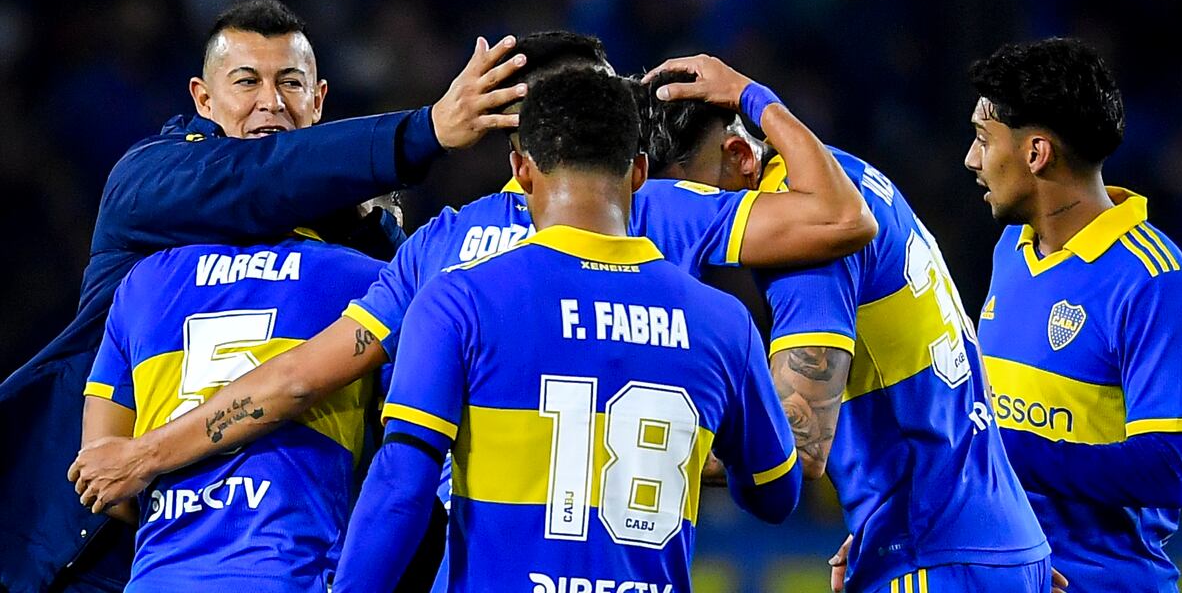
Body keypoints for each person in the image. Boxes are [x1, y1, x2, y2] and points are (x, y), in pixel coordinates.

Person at [67, 39, 872, 512]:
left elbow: (295, 383)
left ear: (515, 149)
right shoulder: (661, 214)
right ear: (626, 148)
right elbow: (840, 217)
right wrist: (752, 96)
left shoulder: (440, 250)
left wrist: (149, 455)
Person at [1, 0, 524, 592]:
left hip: (261, 552)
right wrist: (423, 131)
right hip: (88, 546)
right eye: (246, 81)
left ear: (319, 100)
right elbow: (258, 178)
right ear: (202, 99)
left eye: (291, 83)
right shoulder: (148, 183)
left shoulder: (359, 243)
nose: (270, 102)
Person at [334, 66, 801, 592]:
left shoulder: (458, 301)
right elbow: (777, 493)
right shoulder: (723, 323)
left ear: (522, 171)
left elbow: (402, 486)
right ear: (641, 173)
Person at [640, 55, 1053, 592]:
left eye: (688, 201)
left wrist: (627, 447)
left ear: (739, 155)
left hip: (935, 554)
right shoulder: (845, 176)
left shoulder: (808, 242)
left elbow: (797, 444)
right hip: (976, 540)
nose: (687, 234)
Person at [964, 38, 1182, 592]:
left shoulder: (1155, 282)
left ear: (1036, 153)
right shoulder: (1011, 250)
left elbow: (1166, 467)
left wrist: (1003, 449)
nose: (971, 160)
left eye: (983, 139)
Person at [82, 232, 385, 592]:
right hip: (284, 572)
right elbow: (408, 464)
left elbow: (101, 476)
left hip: (160, 577)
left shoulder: (143, 282)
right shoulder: (367, 279)